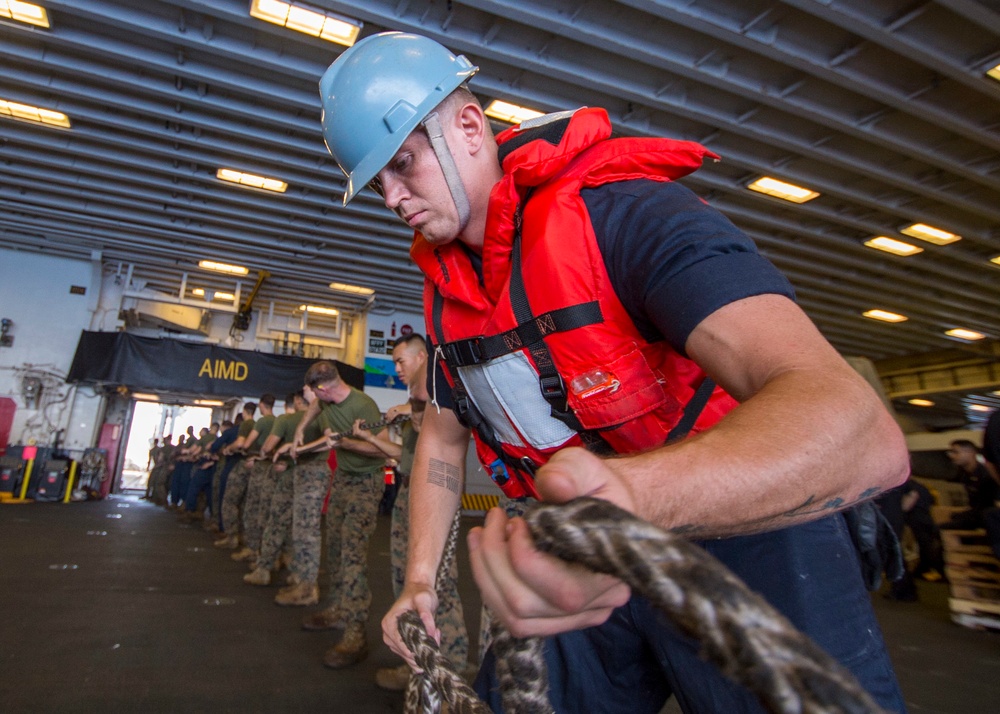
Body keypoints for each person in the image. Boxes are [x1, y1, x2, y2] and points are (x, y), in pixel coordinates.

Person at [318, 32, 910, 713]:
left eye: (403, 164)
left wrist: (620, 505)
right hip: (583, 550)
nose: (393, 198)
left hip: (750, 538)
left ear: (469, 126)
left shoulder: (625, 216)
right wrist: (420, 577)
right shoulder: (449, 295)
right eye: (377, 184)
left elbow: (861, 431)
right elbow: (445, 441)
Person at [351, 333, 471, 691]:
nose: (397, 369)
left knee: (438, 585)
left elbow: (433, 421)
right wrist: (375, 435)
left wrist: (409, 409)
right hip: (409, 491)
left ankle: (448, 670)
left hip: (432, 497)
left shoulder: (429, 396)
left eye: (402, 362)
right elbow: (403, 448)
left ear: (422, 357)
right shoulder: (416, 403)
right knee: (408, 581)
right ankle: (420, 662)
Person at [292, 360, 387, 669]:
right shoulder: (324, 399)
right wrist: (301, 430)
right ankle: (339, 609)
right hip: (343, 480)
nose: (314, 397)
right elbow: (315, 408)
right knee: (334, 547)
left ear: (325, 386)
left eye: (315, 391)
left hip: (366, 483)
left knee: (352, 555)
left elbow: (383, 449)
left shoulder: (364, 404)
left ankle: (356, 633)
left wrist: (344, 441)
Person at [941, 440, 1000, 560]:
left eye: (955, 452)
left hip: (985, 515)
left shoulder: (985, 474)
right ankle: (965, 560)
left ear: (970, 452)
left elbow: (991, 503)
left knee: (938, 528)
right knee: (954, 516)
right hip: (976, 513)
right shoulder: (965, 475)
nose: (952, 455)